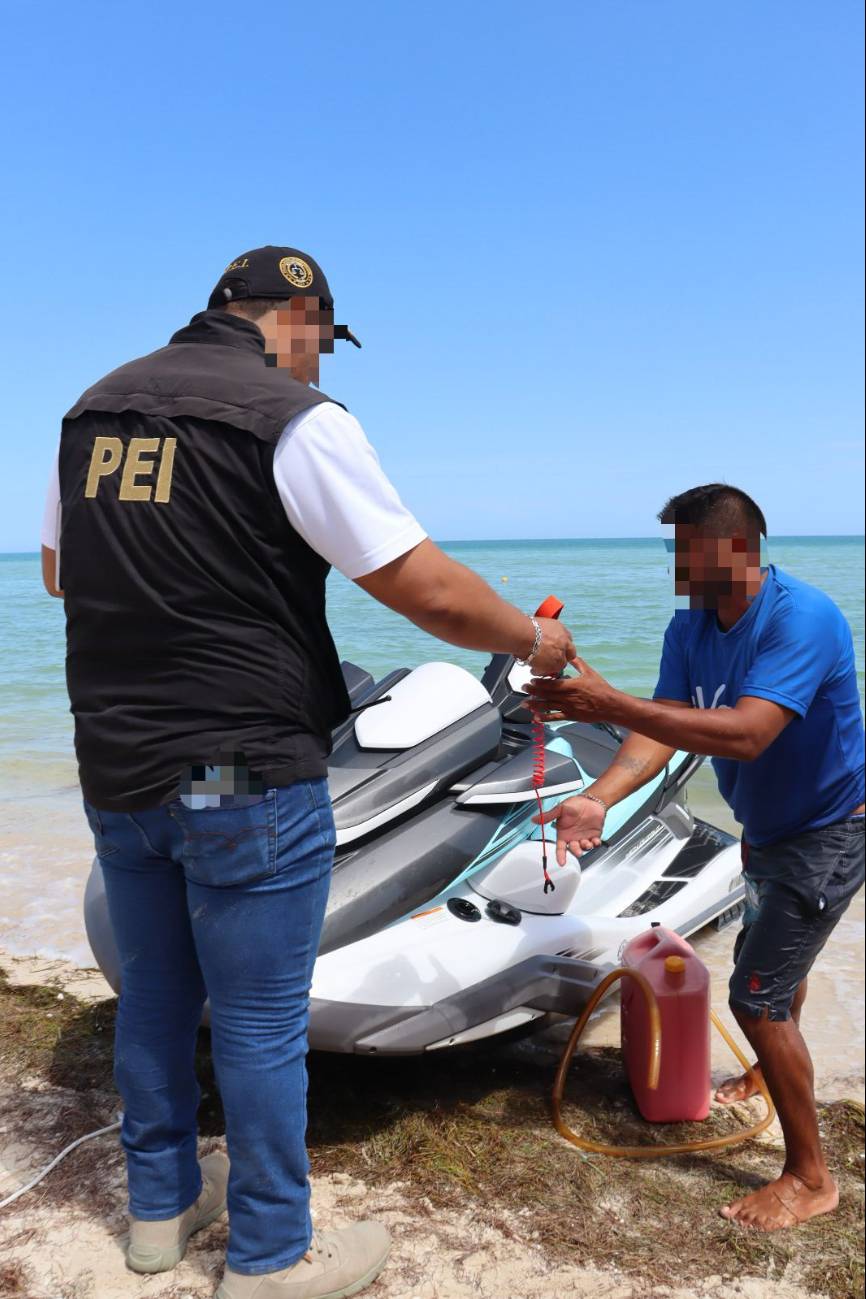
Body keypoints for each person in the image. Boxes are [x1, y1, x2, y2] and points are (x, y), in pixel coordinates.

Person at [40, 245, 575, 1299]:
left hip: (119, 763)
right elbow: (422, 588)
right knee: (256, 1016)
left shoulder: (92, 412)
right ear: (297, 317)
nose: (322, 365)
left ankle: (156, 1217)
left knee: (153, 995)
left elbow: (62, 574)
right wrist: (533, 643)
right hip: (234, 768)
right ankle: (273, 1255)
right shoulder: (292, 420)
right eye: (323, 343)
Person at [525, 484, 864, 1233]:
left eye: (686, 551)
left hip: (831, 829)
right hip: (768, 825)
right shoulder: (691, 628)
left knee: (755, 993)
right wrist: (602, 797)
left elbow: (745, 734)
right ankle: (763, 1072)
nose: (675, 567)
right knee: (777, 959)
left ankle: (811, 1176)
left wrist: (606, 704)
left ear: (735, 549)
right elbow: (663, 730)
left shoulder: (802, 618)